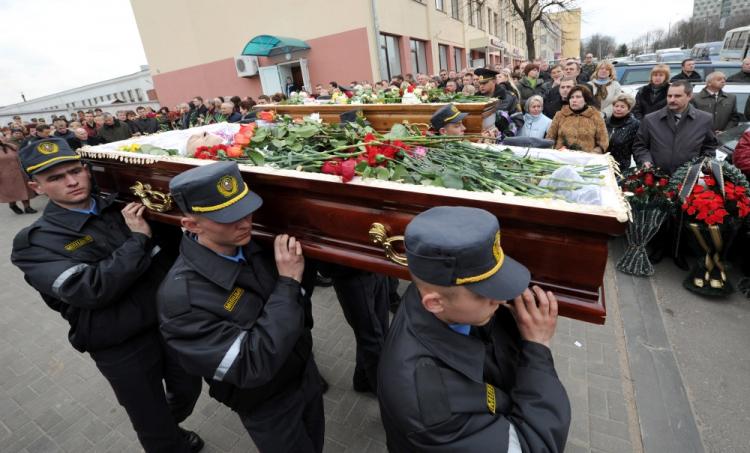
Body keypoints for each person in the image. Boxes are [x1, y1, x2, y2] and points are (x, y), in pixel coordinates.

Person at [10, 138, 204, 452]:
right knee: (149, 418)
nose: (71, 181)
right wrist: (138, 240)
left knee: (187, 388)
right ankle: (168, 442)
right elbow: (90, 288)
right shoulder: (35, 243)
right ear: (37, 187)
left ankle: (169, 425)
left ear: (86, 170)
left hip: (170, 324)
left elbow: (173, 251)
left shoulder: (121, 206)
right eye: (55, 178)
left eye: (75, 170)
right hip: (121, 344)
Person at [157, 161, 324, 453]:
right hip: (266, 402)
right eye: (227, 218)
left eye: (245, 210)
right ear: (191, 224)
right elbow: (250, 365)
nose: (245, 222)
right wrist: (288, 284)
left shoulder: (251, 245)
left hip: (303, 373)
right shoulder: (181, 299)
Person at [378, 206, 571, 452]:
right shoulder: (430, 405)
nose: (500, 300)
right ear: (435, 302)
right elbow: (533, 447)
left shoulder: (433, 296)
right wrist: (538, 348)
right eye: (486, 293)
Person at [632, 80, 717, 174]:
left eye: (677, 96)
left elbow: (709, 147)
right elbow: (640, 146)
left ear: (689, 96)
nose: (672, 100)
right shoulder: (650, 119)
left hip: (688, 180)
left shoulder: (704, 119)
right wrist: (645, 161)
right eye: (669, 96)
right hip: (656, 179)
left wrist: (704, 164)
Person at [546, 85, 608, 153]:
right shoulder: (560, 115)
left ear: (586, 100)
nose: (574, 100)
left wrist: (594, 153)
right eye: (571, 97)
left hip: (585, 159)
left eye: (578, 97)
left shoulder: (595, 116)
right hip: (561, 157)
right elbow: (549, 138)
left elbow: (603, 142)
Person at [606, 94, 640, 172]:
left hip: (621, 168)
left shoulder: (634, 124)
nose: (618, 109)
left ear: (629, 109)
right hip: (603, 164)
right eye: (616, 106)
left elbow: (637, 148)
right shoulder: (606, 122)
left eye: (622, 107)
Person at [0, 139, 36, 214]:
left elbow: (21, 156)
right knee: (12, 192)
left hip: (19, 172)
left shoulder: (11, 146)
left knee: (25, 190)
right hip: (4, 175)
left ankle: (27, 207)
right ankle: (13, 205)